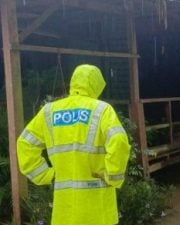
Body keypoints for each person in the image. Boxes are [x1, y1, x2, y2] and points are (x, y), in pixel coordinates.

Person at [17, 64, 131, 225]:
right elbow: (119, 141)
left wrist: (45, 175)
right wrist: (112, 176)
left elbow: (25, 143)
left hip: (65, 208)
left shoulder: (49, 111)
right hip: (97, 206)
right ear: (96, 85)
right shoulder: (102, 109)